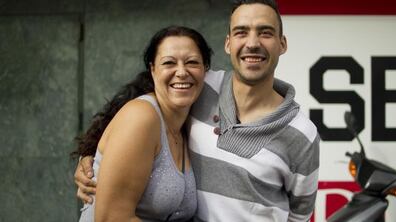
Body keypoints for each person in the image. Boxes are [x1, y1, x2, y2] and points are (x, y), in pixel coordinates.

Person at [75, 0, 320, 221]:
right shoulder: (201, 87)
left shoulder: (303, 134)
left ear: (282, 44)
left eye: (265, 33)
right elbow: (132, 112)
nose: (252, 43)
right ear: (228, 43)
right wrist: (91, 157)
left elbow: (299, 216)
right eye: (241, 32)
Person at [72, 25, 213, 221]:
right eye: (169, 63)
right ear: (153, 70)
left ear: (206, 70)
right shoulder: (142, 116)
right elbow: (112, 218)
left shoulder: (187, 124)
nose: (181, 72)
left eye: (192, 62)